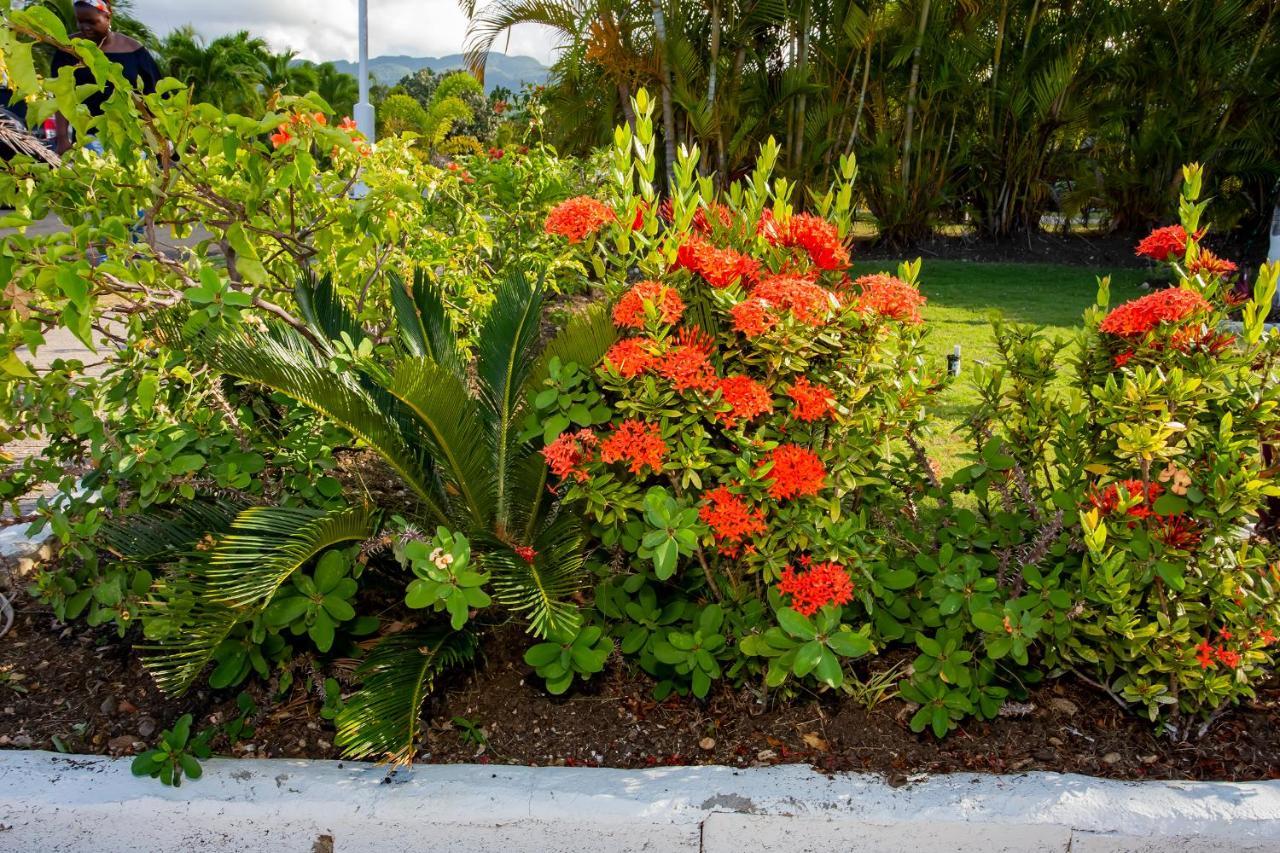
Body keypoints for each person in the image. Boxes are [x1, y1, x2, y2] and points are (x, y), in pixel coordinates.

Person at [51, 0, 161, 155]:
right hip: (89, 139)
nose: (84, 27)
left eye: (91, 22)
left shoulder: (134, 50)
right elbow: (61, 95)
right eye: (80, 21)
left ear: (108, 17)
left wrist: (159, 139)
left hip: (133, 139)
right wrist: (62, 138)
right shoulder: (69, 50)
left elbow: (154, 96)